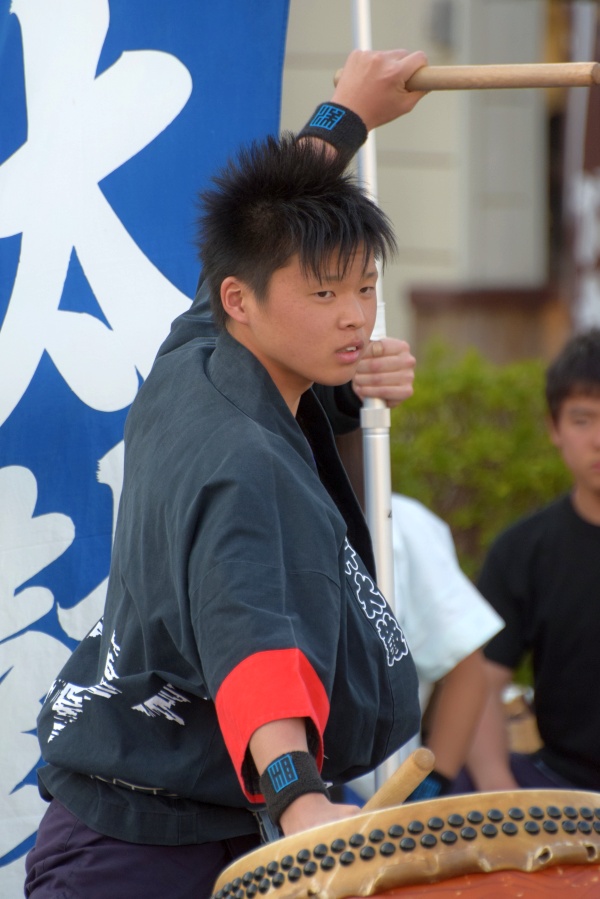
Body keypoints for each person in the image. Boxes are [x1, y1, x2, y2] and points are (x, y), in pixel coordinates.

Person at [25, 49, 429, 899]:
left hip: (190, 815)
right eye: (325, 295)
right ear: (244, 300)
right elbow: (255, 643)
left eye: (365, 288)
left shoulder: (197, 352)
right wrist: (299, 799)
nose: (356, 317)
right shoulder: (242, 459)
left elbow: (262, 223)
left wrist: (346, 114)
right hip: (140, 851)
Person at [455, 328, 600, 793]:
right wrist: (504, 799)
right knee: (455, 787)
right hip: (564, 787)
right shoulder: (524, 550)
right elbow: (479, 686)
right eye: (582, 420)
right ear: (555, 429)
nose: (598, 439)